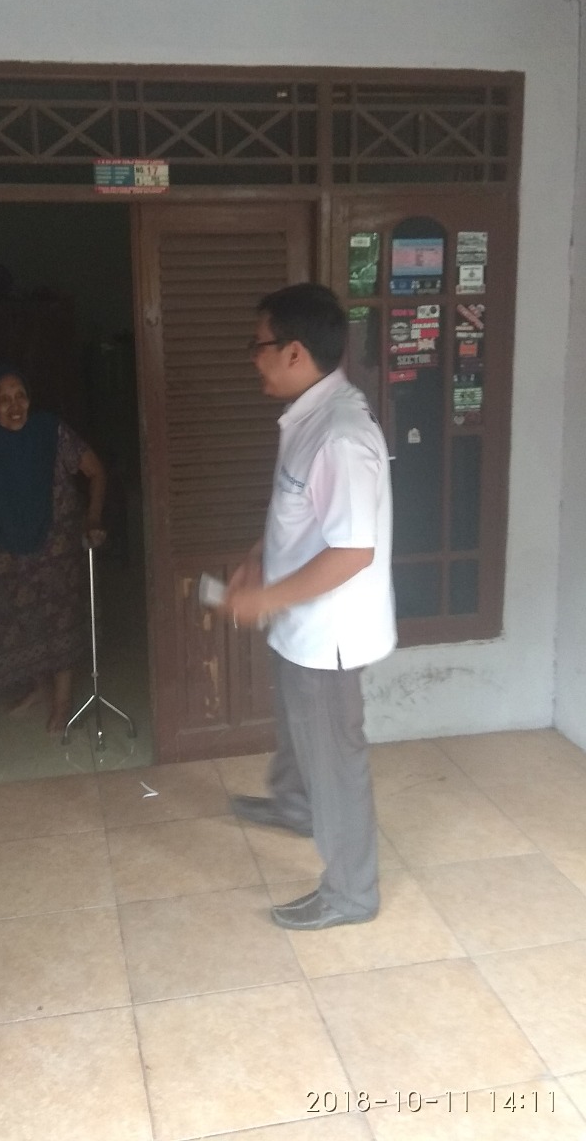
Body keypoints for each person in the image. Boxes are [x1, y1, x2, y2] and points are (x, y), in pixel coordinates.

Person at [224, 283, 396, 931]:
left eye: (258, 345)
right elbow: (301, 514)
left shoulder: (341, 436)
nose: (253, 358)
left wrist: (263, 598)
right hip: (301, 623)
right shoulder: (309, 416)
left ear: (294, 351)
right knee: (299, 730)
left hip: (331, 634)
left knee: (335, 759)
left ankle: (351, 894)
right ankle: (295, 804)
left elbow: (352, 551)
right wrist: (258, 556)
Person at [0, 365, 106, 733]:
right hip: (5, 550)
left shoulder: (50, 432)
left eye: (20, 395)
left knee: (59, 618)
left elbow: (96, 472)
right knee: (22, 620)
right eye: (3, 399)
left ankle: (62, 701)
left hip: (55, 545)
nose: (15, 406)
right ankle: (39, 687)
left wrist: (92, 518)